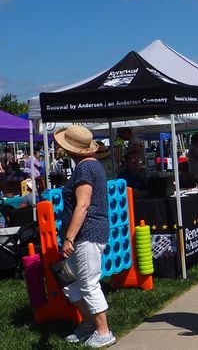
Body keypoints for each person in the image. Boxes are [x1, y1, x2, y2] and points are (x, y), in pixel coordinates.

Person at [54, 125, 116, 347]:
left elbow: (83, 205)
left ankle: (103, 331)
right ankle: (89, 324)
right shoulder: (90, 166)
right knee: (68, 278)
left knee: (88, 282)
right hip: (86, 233)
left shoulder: (84, 169)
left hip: (87, 233)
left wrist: (69, 237)